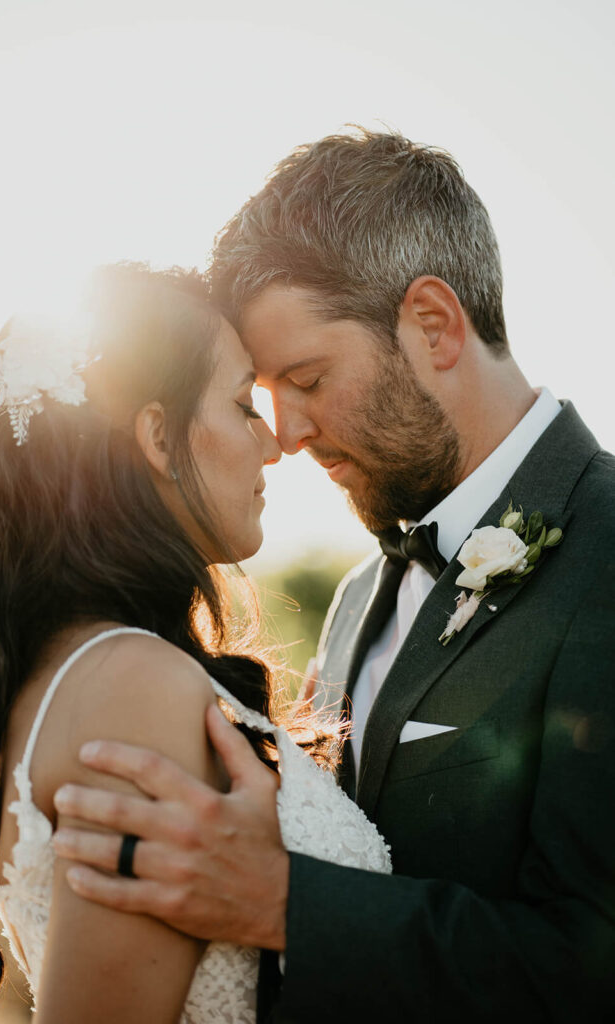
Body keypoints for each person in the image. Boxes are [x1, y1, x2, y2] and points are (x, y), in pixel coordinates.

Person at [52, 130, 615, 1023]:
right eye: (262, 394)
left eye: (306, 378)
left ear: (432, 325)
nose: (287, 434)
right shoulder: (359, 597)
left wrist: (284, 903)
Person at [0, 264, 393, 1024]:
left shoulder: (66, 670)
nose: (273, 445)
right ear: (155, 434)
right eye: (244, 403)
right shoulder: (132, 686)